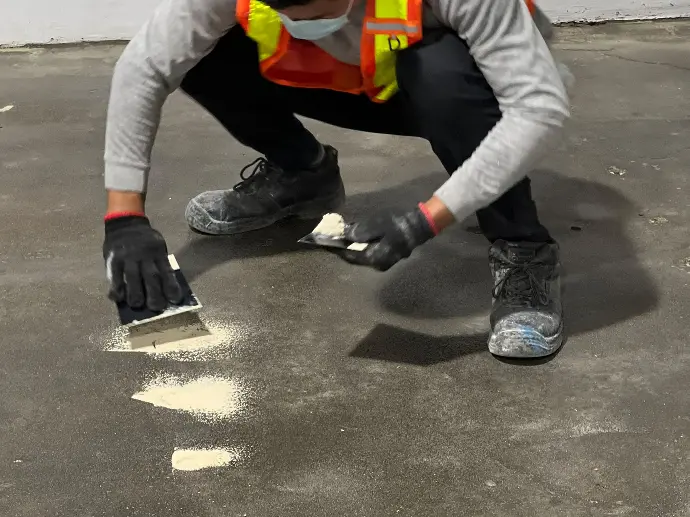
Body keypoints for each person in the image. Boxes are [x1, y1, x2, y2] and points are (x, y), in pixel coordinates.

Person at [102, 0, 572, 358]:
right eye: (284, 9)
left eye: (319, 7)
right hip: (343, 79)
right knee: (201, 53)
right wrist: (125, 218)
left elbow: (536, 108)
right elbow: (145, 65)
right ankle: (302, 173)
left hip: (459, 92)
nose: (303, 22)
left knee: (439, 70)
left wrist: (426, 219)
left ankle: (522, 247)